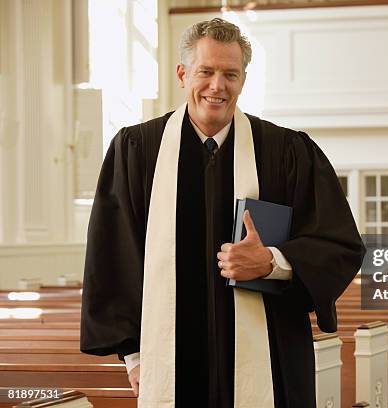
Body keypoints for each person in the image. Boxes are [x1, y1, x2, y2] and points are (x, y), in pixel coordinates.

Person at [80, 18, 364, 408]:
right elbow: (113, 258)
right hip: (169, 362)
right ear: (183, 74)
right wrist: (136, 356)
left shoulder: (286, 152)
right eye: (206, 71)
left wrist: (272, 261)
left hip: (271, 358)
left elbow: (339, 243)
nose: (218, 85)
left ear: (243, 79)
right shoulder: (137, 152)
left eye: (230, 74)